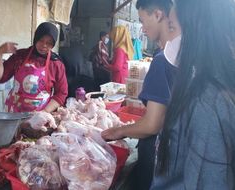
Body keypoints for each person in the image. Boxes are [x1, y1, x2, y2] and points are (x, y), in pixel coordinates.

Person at [151, 0, 235, 189]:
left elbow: (208, 180)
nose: (168, 38)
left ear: (197, 30)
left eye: (171, 27)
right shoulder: (206, 88)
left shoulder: (208, 103)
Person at [101, 0, 177, 189]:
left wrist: (118, 131)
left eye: (143, 21)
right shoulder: (184, 55)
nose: (142, 29)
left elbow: (152, 124)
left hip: (158, 155)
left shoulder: (162, 61)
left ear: (158, 15)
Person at [0, 22, 68, 113]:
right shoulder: (20, 56)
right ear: (36, 38)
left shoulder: (56, 64)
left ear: (53, 44)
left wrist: (45, 112)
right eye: (41, 40)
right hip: (14, 113)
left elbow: (61, 93)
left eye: (49, 43)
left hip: (38, 116)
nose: (44, 45)